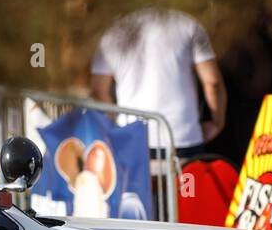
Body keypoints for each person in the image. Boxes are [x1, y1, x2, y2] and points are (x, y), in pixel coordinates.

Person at [89, 8, 225, 158]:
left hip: (132, 136)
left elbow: (99, 92)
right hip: (183, 137)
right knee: (186, 181)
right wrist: (217, 121)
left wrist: (114, 128)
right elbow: (213, 81)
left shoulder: (113, 31)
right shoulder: (188, 24)